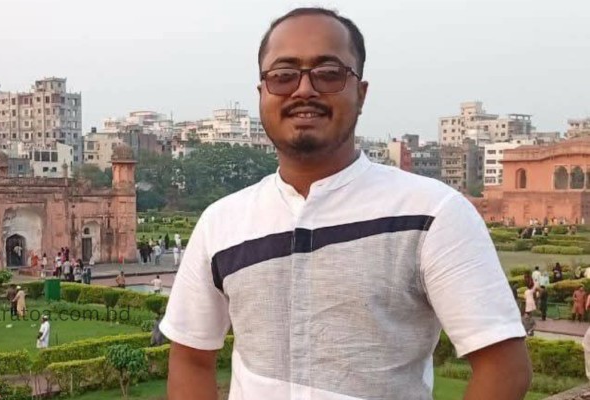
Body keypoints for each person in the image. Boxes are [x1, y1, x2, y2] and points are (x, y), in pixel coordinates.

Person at [159, 8, 531, 400]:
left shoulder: (430, 213)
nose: (304, 90)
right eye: (283, 75)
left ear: (361, 93)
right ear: (263, 93)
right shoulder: (223, 222)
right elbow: (190, 358)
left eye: (328, 73)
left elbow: (504, 368)